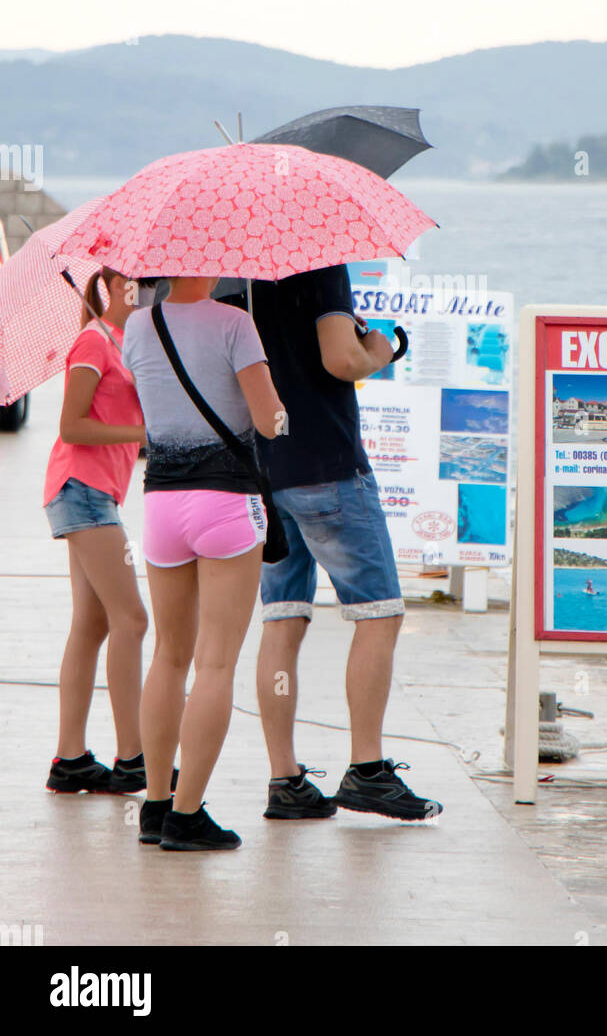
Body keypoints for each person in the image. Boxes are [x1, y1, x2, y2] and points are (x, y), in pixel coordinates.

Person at [224, 266, 443, 823]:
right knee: (379, 613)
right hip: (326, 462)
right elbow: (339, 360)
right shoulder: (319, 262)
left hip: (262, 469)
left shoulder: (232, 269)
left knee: (283, 616)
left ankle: (285, 778)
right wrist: (379, 348)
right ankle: (367, 769)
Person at [121, 276, 283, 851]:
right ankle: (188, 816)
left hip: (161, 504)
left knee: (167, 656)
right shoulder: (236, 324)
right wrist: (280, 405)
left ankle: (155, 806)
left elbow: (150, 413)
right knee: (215, 664)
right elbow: (269, 423)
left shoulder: (138, 326)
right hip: (225, 505)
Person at [44, 268, 150, 795]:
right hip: (80, 490)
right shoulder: (93, 340)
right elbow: (71, 425)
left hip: (99, 492)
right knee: (131, 619)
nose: (148, 288)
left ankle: (71, 760)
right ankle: (133, 757)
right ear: (113, 283)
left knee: (92, 626)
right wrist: (142, 431)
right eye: (138, 280)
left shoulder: (130, 342)